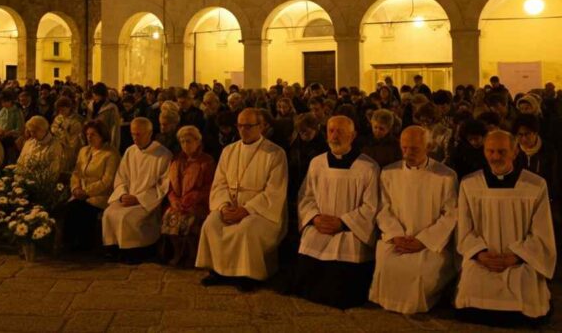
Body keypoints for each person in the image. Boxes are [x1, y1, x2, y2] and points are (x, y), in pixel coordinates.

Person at [455, 130, 556, 325]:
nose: (495, 157)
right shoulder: (470, 184)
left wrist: (516, 256)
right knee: (472, 283)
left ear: (515, 152)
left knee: (524, 285)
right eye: (490, 151)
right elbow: (464, 228)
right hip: (484, 258)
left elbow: (542, 232)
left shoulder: (535, 185)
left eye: (501, 152)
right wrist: (480, 254)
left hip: (521, 260)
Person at [195, 108, 288, 292]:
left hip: (262, 212)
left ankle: (249, 275)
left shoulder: (275, 153)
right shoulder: (229, 151)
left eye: (249, 126)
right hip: (231, 206)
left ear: (261, 126)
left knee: (246, 229)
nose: (243, 130)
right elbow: (219, 183)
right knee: (211, 224)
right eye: (240, 126)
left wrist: (246, 210)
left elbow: (274, 191)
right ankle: (218, 271)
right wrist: (223, 206)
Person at [292, 115, 379, 309]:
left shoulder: (368, 167)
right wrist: (314, 218)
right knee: (310, 244)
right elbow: (306, 196)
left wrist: (343, 223)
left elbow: (371, 206)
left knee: (342, 268)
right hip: (320, 224)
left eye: (340, 131)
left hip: (351, 229)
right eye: (331, 131)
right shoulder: (317, 163)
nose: (334, 136)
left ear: (353, 135)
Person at [369, 126, 458, 314]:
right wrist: (396, 235)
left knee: (417, 272)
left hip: (430, 244)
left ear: (428, 147)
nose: (408, 153)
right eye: (404, 148)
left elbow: (450, 214)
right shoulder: (388, 173)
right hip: (398, 240)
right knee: (386, 266)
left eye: (414, 149)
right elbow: (383, 209)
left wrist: (423, 240)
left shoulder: (446, 176)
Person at [102, 117, 172, 263]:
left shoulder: (163, 154)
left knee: (126, 217)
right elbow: (121, 177)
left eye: (139, 134)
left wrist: (138, 199)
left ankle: (134, 251)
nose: (134, 138)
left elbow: (162, 186)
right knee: (109, 213)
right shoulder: (130, 151)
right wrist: (122, 194)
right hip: (128, 197)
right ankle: (113, 249)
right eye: (133, 134)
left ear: (150, 133)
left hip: (147, 202)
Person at [160, 125, 215, 267]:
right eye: (183, 142)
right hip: (179, 202)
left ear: (198, 142)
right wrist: (173, 200)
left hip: (198, 203)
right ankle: (178, 252)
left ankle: (192, 254)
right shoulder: (177, 160)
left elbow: (210, 186)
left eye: (189, 141)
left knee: (189, 219)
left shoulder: (206, 161)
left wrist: (194, 197)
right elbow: (170, 186)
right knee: (170, 216)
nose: (186, 145)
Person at [64, 120, 120, 251]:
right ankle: (70, 243)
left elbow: (107, 180)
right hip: (80, 193)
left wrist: (87, 192)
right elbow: (76, 173)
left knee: (82, 209)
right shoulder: (84, 151)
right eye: (87, 134)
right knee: (70, 207)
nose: (89, 137)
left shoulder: (110, 154)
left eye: (93, 134)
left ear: (102, 135)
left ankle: (83, 245)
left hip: (100, 195)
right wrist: (76, 188)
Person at [16, 116, 64, 181]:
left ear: (43, 130)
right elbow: (20, 162)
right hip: (25, 180)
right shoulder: (29, 143)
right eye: (30, 132)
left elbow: (53, 171)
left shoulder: (55, 146)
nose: (32, 134)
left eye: (34, 132)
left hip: (42, 183)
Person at [50, 96, 84, 175]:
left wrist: (65, 134)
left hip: (71, 146)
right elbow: (53, 127)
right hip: (58, 145)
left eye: (63, 110)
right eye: (59, 110)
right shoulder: (58, 118)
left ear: (69, 108)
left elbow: (76, 134)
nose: (61, 112)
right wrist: (57, 131)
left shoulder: (76, 119)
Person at [88, 83, 121, 150]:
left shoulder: (111, 108)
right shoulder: (91, 105)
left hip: (105, 140)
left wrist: (113, 144)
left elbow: (114, 127)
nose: (94, 95)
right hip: (92, 138)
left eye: (96, 93)